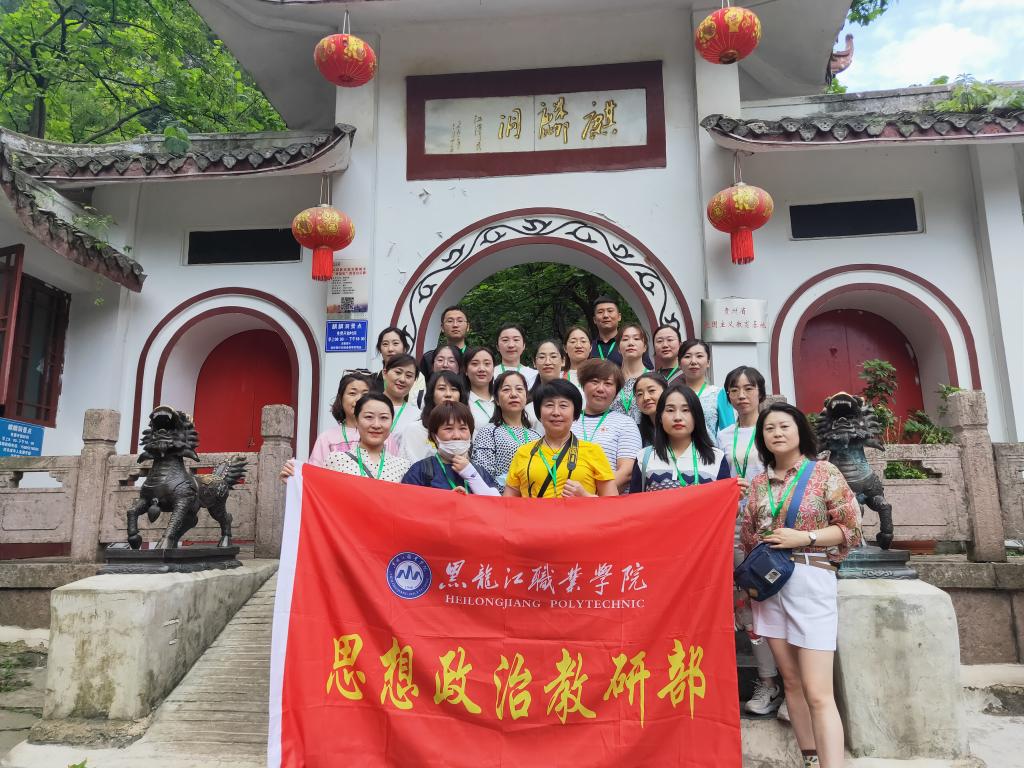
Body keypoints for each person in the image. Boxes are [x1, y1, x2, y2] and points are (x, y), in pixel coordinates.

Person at [740, 403, 862, 768]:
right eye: (769, 429)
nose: (777, 433)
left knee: (818, 691)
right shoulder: (759, 483)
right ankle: (809, 759)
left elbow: (850, 529)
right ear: (762, 438)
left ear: (799, 431)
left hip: (810, 577)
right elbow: (748, 536)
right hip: (770, 587)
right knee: (791, 681)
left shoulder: (823, 472)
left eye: (784, 426)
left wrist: (804, 537)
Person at [715, 366, 782, 717]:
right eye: (734, 389)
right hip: (733, 527)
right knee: (746, 608)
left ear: (761, 392)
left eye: (749, 388)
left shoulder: (772, 429)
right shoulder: (723, 435)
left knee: (775, 605)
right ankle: (767, 682)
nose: (742, 395)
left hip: (770, 527)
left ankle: (794, 686)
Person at [505, 379, 617, 498]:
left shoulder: (593, 451)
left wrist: (585, 496)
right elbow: (507, 504)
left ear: (575, 412)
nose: (556, 412)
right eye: (549, 405)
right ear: (539, 412)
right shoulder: (523, 453)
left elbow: (612, 502)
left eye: (563, 405)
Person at [280, 371, 398, 481]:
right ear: (341, 398)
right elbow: (315, 477)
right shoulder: (327, 438)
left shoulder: (385, 437)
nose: (359, 399)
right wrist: (296, 478)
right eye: (352, 393)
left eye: (365, 394)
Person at [629, 383, 730, 492]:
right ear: (660, 417)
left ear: (696, 416)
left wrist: (736, 493)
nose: (678, 417)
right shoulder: (644, 457)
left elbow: (724, 500)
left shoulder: (716, 457)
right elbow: (634, 501)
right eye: (670, 410)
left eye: (685, 410)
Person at [571, 359, 642, 493]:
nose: (600, 389)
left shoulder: (625, 424)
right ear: (583, 385)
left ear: (616, 391)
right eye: (595, 382)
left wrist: (589, 495)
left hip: (608, 501)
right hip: (567, 497)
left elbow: (626, 472)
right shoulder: (569, 421)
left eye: (608, 384)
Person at [401, 401, 499, 494]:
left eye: (463, 428)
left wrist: (471, 474)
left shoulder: (480, 472)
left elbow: (494, 503)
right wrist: (447, 500)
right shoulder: (421, 471)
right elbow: (406, 502)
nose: (457, 435)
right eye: (448, 429)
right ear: (434, 436)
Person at [472, 370, 541, 492]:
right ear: (497, 400)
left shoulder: (536, 436)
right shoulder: (488, 433)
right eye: (506, 390)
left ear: (526, 397)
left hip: (533, 500)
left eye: (519, 389)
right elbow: (483, 476)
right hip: (501, 500)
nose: (513, 394)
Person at [322, 393, 411, 482]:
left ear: (391, 422)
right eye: (369, 417)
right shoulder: (336, 460)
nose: (376, 425)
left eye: (384, 418)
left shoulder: (403, 467)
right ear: (356, 420)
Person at [400, 371, 468, 463]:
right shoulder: (415, 430)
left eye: (454, 389)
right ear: (431, 394)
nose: (448, 394)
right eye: (442, 388)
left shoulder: (466, 429)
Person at [588, 296, 653, 367]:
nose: (605, 315)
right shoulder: (588, 347)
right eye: (600, 312)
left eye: (610, 311)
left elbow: (647, 370)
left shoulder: (632, 345)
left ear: (619, 317)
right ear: (594, 320)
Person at [680, 338, 722, 437]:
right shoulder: (673, 395)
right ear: (679, 364)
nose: (693, 361)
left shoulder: (718, 394)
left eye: (699, 356)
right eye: (687, 356)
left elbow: (729, 431)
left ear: (708, 362)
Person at [370, 326, 426, 399]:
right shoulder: (373, 379)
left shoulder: (418, 377)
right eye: (385, 344)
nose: (390, 349)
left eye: (395, 343)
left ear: (404, 348)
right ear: (380, 349)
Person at [610, 323, 649, 423]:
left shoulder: (654, 379)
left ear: (645, 347)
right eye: (625, 339)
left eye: (636, 338)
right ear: (618, 348)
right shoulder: (610, 380)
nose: (631, 343)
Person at [379, 353, 422, 443]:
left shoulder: (417, 416)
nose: (402, 379)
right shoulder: (366, 406)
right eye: (398, 372)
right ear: (384, 373)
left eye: (409, 376)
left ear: (414, 381)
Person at [420, 305, 471, 376]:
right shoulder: (429, 358)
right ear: (442, 328)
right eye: (450, 321)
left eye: (460, 321)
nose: (455, 325)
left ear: (467, 327)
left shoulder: (474, 357)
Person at [530, 339, 567, 425]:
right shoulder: (525, 401)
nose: (547, 362)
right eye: (542, 357)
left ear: (563, 361)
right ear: (534, 362)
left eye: (553, 357)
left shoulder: (574, 395)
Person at [415, 343, 465, 408]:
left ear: (460, 367)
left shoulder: (469, 396)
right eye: (440, 360)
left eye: (451, 361)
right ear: (432, 366)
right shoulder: (418, 397)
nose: (445, 365)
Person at [493, 323, 538, 388]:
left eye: (516, 340)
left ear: (524, 345)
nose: (511, 345)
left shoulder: (535, 375)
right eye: (505, 340)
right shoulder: (489, 375)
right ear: (497, 346)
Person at [464, 346, 496, 434]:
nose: (481, 369)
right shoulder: (461, 402)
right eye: (475, 364)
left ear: (493, 369)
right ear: (466, 370)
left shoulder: (502, 399)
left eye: (487, 364)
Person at [633, 371, 668, 447]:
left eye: (651, 390)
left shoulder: (677, 425)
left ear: (666, 391)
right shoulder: (635, 433)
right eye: (640, 394)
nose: (646, 398)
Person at [562, 325, 592, 391]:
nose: (578, 346)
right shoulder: (558, 378)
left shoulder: (600, 375)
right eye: (573, 342)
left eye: (583, 341)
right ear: (565, 348)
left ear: (590, 347)